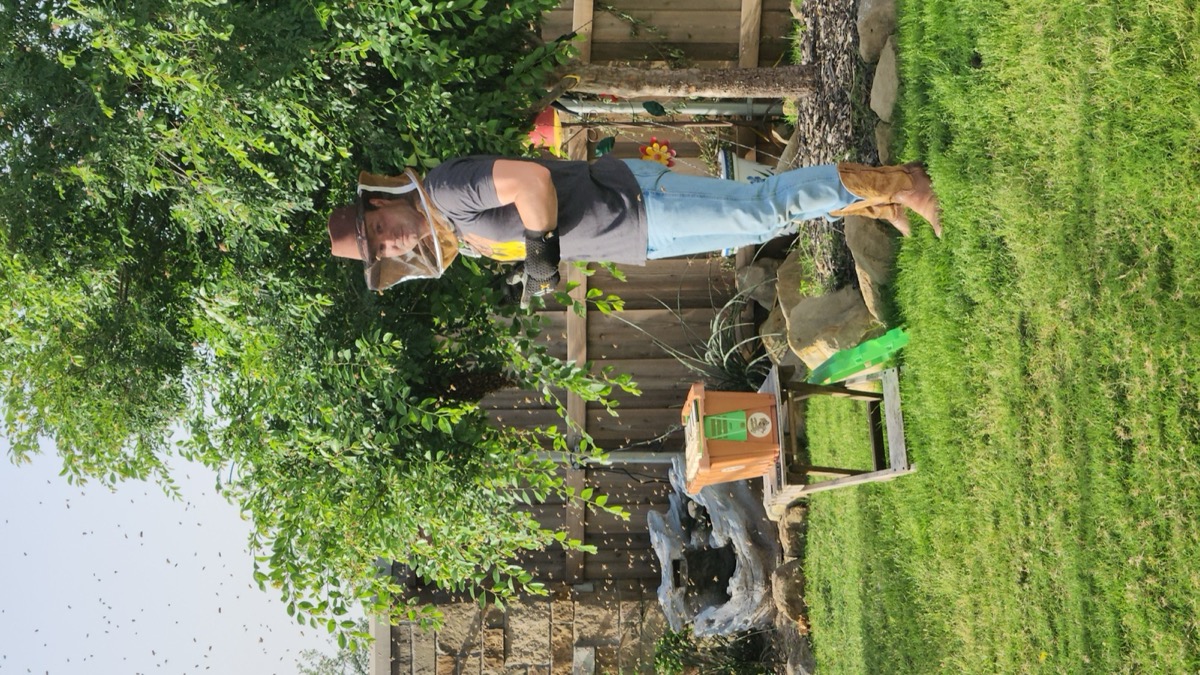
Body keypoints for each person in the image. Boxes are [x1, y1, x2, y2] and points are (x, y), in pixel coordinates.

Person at [326, 155, 940, 296]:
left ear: (381, 205)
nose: (393, 244)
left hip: (636, 201)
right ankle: (872, 203)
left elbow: (531, 184)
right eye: (383, 252)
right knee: (750, 219)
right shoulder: (458, 235)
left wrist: (539, 250)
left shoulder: (444, 190)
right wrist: (539, 263)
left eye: (379, 233)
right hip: (638, 233)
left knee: (760, 208)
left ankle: (902, 183)